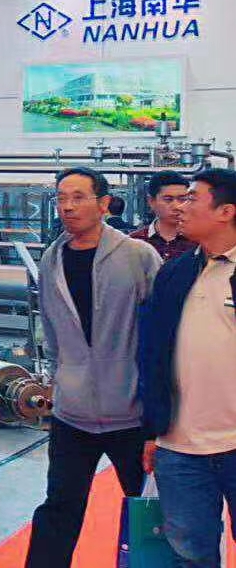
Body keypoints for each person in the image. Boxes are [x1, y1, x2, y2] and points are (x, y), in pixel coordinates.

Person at [25, 167, 162, 567]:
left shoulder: (138, 256)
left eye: (78, 197)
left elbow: (161, 335)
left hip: (131, 413)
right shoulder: (52, 259)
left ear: (104, 204)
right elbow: (51, 329)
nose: (67, 206)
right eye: (61, 198)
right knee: (59, 508)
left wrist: (158, 415)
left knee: (151, 510)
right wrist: (56, 381)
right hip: (72, 414)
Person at [138, 168, 236, 567]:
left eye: (192, 198)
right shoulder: (175, 273)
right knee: (191, 555)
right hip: (180, 446)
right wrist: (152, 430)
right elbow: (151, 353)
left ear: (226, 211)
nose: (181, 206)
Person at [131, 170, 196, 263]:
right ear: (151, 201)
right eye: (168, 200)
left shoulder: (198, 241)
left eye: (182, 199)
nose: (177, 206)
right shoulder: (135, 241)